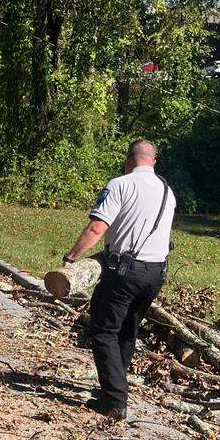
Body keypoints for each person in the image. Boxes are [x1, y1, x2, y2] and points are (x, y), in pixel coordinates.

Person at [63, 139, 176, 420]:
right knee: (128, 328)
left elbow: (97, 227)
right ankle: (115, 389)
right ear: (153, 162)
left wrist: (71, 257)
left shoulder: (120, 184)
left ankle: (114, 401)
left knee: (103, 330)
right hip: (156, 272)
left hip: (125, 270)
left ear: (128, 160)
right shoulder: (167, 191)